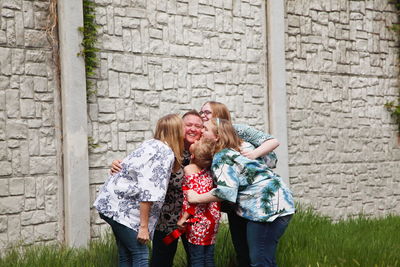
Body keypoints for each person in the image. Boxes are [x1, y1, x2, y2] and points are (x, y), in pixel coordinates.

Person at [188, 118, 295, 267]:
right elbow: (270, 160)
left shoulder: (222, 157)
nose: (200, 131)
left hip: (266, 210)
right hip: (279, 205)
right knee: (265, 260)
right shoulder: (233, 151)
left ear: (217, 136)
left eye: (205, 129)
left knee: (260, 262)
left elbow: (226, 192)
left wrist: (196, 197)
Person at [110, 110, 204, 267]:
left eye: (198, 126)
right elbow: (140, 170)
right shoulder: (166, 149)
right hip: (165, 221)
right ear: (179, 127)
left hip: (193, 220)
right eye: (188, 125)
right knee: (161, 261)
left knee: (197, 261)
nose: (193, 129)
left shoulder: (204, 153)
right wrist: (119, 166)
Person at [93, 114, 185, 267]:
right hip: (122, 212)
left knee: (126, 254)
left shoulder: (151, 144)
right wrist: (143, 227)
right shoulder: (164, 153)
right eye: (182, 127)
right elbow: (148, 190)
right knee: (140, 253)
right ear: (176, 131)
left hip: (111, 205)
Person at [200, 101, 280, 266]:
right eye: (201, 112)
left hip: (254, 197)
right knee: (242, 249)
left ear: (219, 115)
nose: (203, 116)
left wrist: (252, 154)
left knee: (258, 253)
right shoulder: (204, 135)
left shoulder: (239, 130)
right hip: (234, 201)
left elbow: (273, 141)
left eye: (207, 112)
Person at [177, 138, 221, 267]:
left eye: (196, 143)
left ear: (193, 155)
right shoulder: (209, 171)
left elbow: (192, 200)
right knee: (208, 257)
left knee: (196, 258)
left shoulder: (189, 169)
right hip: (212, 219)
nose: (195, 141)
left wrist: (183, 218)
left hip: (197, 221)